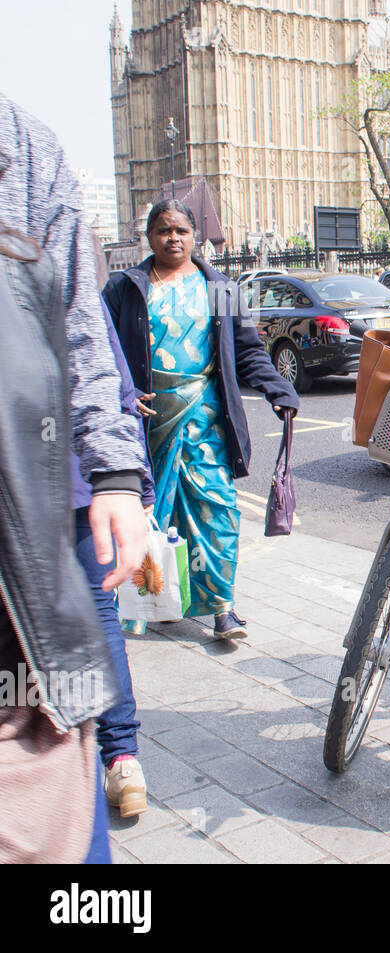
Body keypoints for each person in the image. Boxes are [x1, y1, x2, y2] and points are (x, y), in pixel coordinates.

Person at [0, 92, 149, 863]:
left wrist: (119, 473)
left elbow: (86, 339)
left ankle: (121, 753)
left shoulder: (21, 146)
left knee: (74, 682)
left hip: (44, 520)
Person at [102, 200, 300, 641]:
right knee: (157, 515)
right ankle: (155, 601)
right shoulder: (125, 288)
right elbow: (102, 350)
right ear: (149, 237)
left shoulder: (221, 289)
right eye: (163, 230)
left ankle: (223, 610)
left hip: (206, 417)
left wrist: (277, 388)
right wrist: (125, 392)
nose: (173, 238)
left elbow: (247, 352)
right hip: (149, 423)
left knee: (218, 513)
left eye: (181, 230)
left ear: (197, 236)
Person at [71, 299, 156, 818]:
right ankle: (122, 759)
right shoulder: (48, 231)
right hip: (83, 473)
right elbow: (107, 373)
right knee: (99, 615)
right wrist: (129, 479)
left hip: (71, 477)